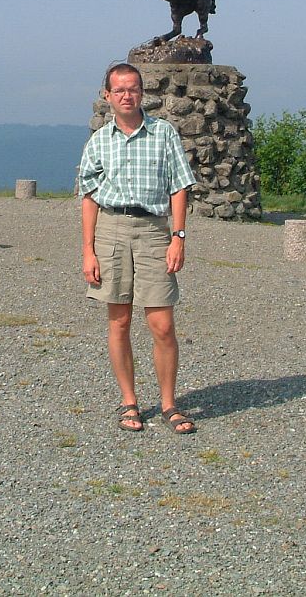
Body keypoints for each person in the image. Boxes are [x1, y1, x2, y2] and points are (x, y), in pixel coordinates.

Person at [78, 62, 198, 434]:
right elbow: (88, 195)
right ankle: (129, 402)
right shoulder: (99, 139)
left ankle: (169, 404)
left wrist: (178, 237)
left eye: (133, 89)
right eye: (120, 90)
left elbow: (180, 186)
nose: (127, 96)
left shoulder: (164, 134)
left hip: (153, 231)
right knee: (120, 321)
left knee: (162, 324)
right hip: (111, 230)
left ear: (142, 92)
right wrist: (88, 250)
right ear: (107, 96)